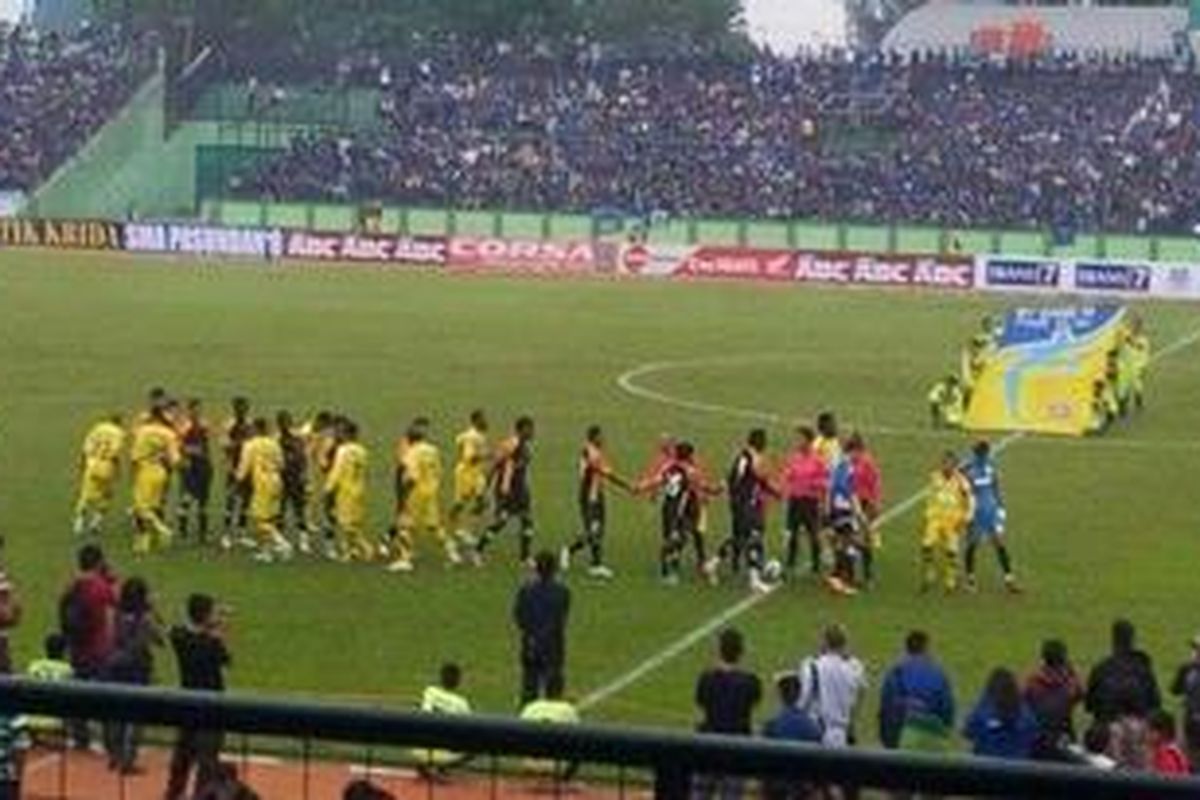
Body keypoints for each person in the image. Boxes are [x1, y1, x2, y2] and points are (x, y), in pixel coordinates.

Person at [165, 593, 231, 800]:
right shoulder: (211, 643)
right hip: (211, 708)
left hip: (187, 705)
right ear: (205, 616)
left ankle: (174, 793)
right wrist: (218, 631)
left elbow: (178, 630)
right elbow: (226, 660)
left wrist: (208, 624)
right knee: (207, 761)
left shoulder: (180, 638)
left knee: (182, 756)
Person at [102, 576, 163, 774]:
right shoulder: (144, 618)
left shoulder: (116, 613)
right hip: (138, 669)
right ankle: (128, 760)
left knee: (116, 713)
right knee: (136, 717)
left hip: (116, 666)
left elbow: (111, 637)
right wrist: (154, 612)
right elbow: (159, 640)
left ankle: (114, 756)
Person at [694, 628, 761, 800]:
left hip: (709, 746)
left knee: (701, 794)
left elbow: (701, 709)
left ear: (719, 650)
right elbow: (753, 703)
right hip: (737, 748)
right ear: (741, 652)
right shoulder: (751, 682)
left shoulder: (706, 678)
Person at [60, 544, 116, 749]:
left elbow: (62, 610)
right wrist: (112, 579)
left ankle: (80, 738)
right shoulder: (101, 586)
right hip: (99, 648)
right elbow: (114, 607)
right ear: (99, 562)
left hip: (77, 646)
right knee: (106, 696)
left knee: (78, 694)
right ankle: (110, 742)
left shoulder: (71, 585)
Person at [641, 441, 720, 586]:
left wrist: (641, 487)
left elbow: (656, 480)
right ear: (689, 455)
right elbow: (703, 485)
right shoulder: (689, 471)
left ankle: (671, 570)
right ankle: (669, 571)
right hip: (680, 510)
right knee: (679, 539)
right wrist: (717, 489)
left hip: (668, 509)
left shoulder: (669, 467)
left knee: (675, 538)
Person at [710, 429, 778, 594]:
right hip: (748, 504)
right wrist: (776, 491)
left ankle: (712, 563)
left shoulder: (741, 457)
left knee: (740, 537)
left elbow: (731, 478)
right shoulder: (754, 458)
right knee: (754, 537)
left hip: (738, 504)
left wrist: (719, 489)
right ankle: (754, 580)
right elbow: (761, 478)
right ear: (761, 442)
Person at [561, 425, 631, 580]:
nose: (603, 439)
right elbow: (608, 474)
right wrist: (628, 486)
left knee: (598, 530)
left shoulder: (596, 452)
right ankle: (569, 550)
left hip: (597, 495)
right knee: (593, 529)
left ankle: (596, 564)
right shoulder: (590, 453)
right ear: (593, 437)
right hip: (589, 497)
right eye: (601, 436)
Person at [389, 421, 456, 572]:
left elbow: (412, 477)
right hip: (431, 491)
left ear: (410, 440)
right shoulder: (433, 450)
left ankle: (405, 559)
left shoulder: (412, 453)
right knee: (433, 525)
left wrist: (404, 494)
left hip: (416, 493)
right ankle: (451, 551)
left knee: (403, 524)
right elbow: (439, 470)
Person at [879, 631, 955, 755]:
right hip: (931, 741)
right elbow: (947, 712)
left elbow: (886, 710)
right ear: (926, 648)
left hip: (899, 741)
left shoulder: (895, 672)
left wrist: (888, 742)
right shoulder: (939, 674)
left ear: (906, 648)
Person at [475, 416, 536, 566]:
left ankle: (525, 557)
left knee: (527, 522)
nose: (533, 432)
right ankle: (477, 550)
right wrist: (485, 490)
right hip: (507, 490)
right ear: (522, 429)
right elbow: (494, 466)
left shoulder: (526, 446)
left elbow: (521, 468)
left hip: (521, 490)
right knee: (500, 522)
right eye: (530, 428)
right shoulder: (511, 445)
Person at [961, 440, 1019, 593]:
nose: (984, 455)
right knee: (972, 545)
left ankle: (1009, 579)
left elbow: (996, 486)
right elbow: (962, 490)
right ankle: (970, 579)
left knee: (999, 543)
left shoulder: (990, 467)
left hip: (991, 511)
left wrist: (1001, 507)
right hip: (976, 513)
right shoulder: (967, 469)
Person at [797, 624, 867, 750]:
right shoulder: (854, 668)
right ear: (844, 643)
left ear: (825, 642)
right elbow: (860, 694)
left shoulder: (812, 666)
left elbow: (802, 702)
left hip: (817, 732)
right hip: (842, 734)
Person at [513, 550, 570, 705]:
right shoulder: (562, 592)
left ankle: (525, 722)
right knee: (553, 691)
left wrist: (531, 634)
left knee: (528, 689)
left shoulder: (525, 590)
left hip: (530, 644)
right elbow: (561, 618)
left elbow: (519, 617)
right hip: (553, 646)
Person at [236, 418, 292, 563]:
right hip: (277, 481)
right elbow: (282, 464)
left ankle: (282, 543)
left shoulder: (250, 445)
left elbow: (244, 468)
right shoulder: (274, 443)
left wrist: (238, 481)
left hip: (262, 483)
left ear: (255, 429)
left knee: (259, 519)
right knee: (270, 518)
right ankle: (266, 552)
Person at [1085, 619, 1161, 725]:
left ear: (1113, 639)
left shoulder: (1100, 668)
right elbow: (1156, 703)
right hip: (1137, 726)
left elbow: (1089, 706)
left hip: (1108, 725)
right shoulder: (1142, 668)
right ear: (1132, 639)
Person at [129, 406, 181, 554]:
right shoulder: (169, 433)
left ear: (151, 416)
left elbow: (134, 456)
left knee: (140, 507)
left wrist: (133, 474)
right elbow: (175, 460)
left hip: (145, 470)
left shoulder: (142, 431)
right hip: (160, 471)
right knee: (153, 507)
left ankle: (163, 530)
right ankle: (143, 543)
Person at [761, 674, 821, 800]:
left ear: (781, 695)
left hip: (777, 789)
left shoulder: (771, 726)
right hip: (802, 789)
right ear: (799, 695)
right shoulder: (812, 727)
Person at [920, 451, 973, 593]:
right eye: (944, 463)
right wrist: (927, 512)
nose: (945, 466)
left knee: (951, 551)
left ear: (955, 465)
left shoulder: (961, 480)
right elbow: (931, 495)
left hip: (953, 520)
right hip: (936, 518)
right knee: (927, 546)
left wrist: (967, 517)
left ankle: (951, 578)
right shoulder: (934, 477)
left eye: (949, 463)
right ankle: (929, 572)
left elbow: (970, 499)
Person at [1023, 639, 1083, 761]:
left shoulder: (1032, 681)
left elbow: (1022, 699)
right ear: (1064, 660)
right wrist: (1072, 672)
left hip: (1037, 743)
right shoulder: (1069, 686)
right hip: (1064, 741)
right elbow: (1081, 693)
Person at [780, 426, 828, 578]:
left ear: (808, 441)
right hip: (795, 500)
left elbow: (826, 480)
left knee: (813, 533)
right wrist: (786, 483)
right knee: (792, 532)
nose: (797, 442)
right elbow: (787, 475)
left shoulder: (818, 460)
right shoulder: (794, 457)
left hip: (810, 501)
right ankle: (791, 561)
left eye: (800, 439)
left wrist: (813, 484)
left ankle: (816, 564)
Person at [963, 667, 1038, 760]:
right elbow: (1033, 737)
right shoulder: (1026, 715)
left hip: (986, 769)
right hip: (1019, 769)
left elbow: (967, 731)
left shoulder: (984, 712)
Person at [324, 419, 372, 562]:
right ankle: (350, 551)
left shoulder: (343, 450)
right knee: (354, 522)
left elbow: (337, 471)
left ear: (347, 434)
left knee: (345, 524)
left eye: (342, 432)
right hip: (359, 489)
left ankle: (365, 548)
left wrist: (329, 489)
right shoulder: (362, 451)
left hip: (345, 490)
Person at [519, 675, 581, 781]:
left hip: (529, 766)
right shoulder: (568, 709)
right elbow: (580, 740)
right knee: (579, 743)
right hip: (557, 769)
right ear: (561, 691)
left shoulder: (531, 707)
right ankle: (565, 781)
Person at [414, 662, 472, 777]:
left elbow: (424, 712)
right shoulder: (462, 703)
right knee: (475, 746)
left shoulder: (429, 691)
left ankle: (424, 763)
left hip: (419, 750)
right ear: (458, 681)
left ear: (441, 678)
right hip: (444, 753)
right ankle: (442, 766)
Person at [73, 413, 125, 537]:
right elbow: (115, 453)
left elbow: (85, 447)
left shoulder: (97, 428)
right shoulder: (119, 433)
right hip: (107, 466)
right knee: (106, 496)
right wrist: (118, 469)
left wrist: (81, 463)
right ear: (119, 423)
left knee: (85, 495)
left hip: (92, 463)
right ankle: (96, 522)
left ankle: (78, 522)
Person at [18, 634, 73, 743]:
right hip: (55, 725)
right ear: (64, 651)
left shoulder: (34, 666)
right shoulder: (67, 670)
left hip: (32, 721)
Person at [448, 410, 490, 550]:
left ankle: (465, 530)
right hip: (467, 474)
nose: (486, 422)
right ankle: (453, 529)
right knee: (460, 503)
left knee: (483, 502)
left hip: (476, 474)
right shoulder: (473, 437)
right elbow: (470, 458)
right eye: (483, 419)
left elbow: (458, 440)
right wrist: (487, 455)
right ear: (475, 421)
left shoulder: (472, 435)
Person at [177, 400, 214, 543]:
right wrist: (193, 452)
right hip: (190, 468)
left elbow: (206, 445)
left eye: (199, 409)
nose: (197, 412)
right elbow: (179, 446)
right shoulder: (185, 426)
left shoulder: (204, 425)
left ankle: (203, 534)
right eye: (195, 409)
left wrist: (206, 459)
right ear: (189, 410)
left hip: (203, 467)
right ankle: (183, 533)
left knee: (203, 502)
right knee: (185, 500)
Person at [276, 410, 312, 555]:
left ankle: (304, 540)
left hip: (296, 479)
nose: (285, 425)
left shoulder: (297, 439)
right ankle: (280, 539)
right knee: (280, 510)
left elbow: (303, 458)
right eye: (283, 422)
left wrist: (304, 475)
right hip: (282, 479)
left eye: (287, 421)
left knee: (299, 510)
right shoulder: (276, 439)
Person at [220, 396, 254, 549]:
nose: (243, 410)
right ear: (235, 408)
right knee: (231, 501)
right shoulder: (229, 424)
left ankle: (242, 533)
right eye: (240, 407)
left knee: (246, 501)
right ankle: (226, 534)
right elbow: (224, 444)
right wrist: (238, 444)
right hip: (233, 467)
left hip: (247, 468)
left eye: (245, 407)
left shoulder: (250, 423)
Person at [847, 433, 883, 554]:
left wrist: (876, 500)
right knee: (852, 530)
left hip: (865, 500)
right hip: (851, 500)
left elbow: (875, 481)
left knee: (865, 530)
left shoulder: (867, 462)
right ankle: (852, 555)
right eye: (850, 451)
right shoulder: (847, 462)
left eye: (855, 451)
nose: (852, 454)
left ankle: (867, 562)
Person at [1169, 633, 1200, 771]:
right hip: (1189, 726)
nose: (1194, 652)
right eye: (1194, 648)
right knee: (1188, 765)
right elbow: (1174, 689)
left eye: (1197, 648)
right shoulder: (1187, 669)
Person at [1149, 709, 1191, 776]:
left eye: (1150, 731)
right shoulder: (1166, 750)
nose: (1148, 735)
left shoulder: (1167, 754)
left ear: (1165, 731)